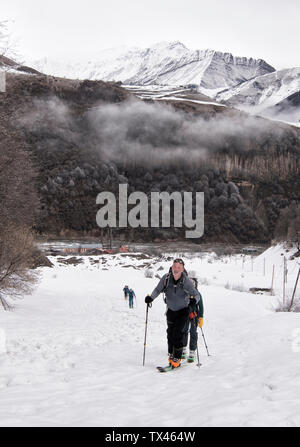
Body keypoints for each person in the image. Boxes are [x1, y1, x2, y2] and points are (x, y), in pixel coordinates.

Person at [145, 258, 201, 369]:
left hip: (183, 311)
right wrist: (151, 298)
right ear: (171, 267)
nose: (176, 269)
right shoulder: (166, 278)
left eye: (179, 267)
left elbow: (196, 294)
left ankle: (177, 357)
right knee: (170, 333)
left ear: (182, 269)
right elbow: (157, 290)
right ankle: (171, 354)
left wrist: (195, 300)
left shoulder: (186, 281)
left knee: (177, 333)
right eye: (174, 267)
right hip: (170, 310)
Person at [182, 277, 204, 363]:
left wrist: (201, 317)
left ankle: (192, 351)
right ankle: (183, 349)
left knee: (193, 332)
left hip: (194, 316)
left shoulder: (197, 294)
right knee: (184, 330)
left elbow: (201, 306)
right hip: (185, 315)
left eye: (193, 283)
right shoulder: (184, 293)